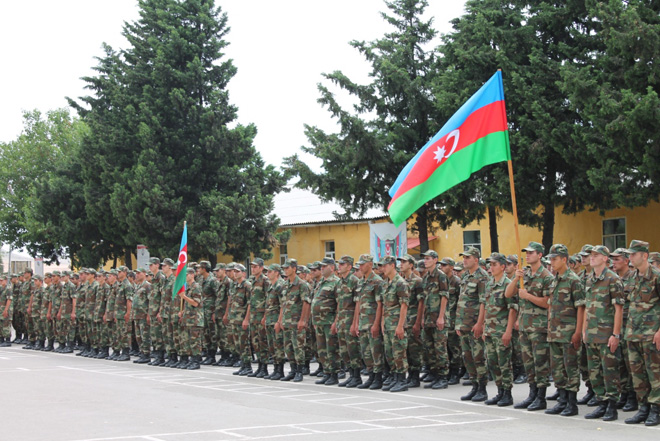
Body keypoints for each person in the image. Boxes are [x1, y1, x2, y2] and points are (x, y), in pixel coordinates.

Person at [506, 241, 553, 411]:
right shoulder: (523, 274)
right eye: (526, 252)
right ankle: (532, 394)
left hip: (539, 327)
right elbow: (508, 294)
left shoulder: (547, 276)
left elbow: (548, 303)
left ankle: (541, 397)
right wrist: (515, 278)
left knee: (540, 363)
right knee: (529, 363)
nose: (527, 255)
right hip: (525, 326)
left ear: (540, 255)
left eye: (531, 252)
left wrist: (528, 296)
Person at [582, 245, 624, 421]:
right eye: (591, 255)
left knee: (609, 371)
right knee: (595, 371)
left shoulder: (612, 279)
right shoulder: (590, 279)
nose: (592, 257)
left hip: (606, 334)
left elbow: (618, 309)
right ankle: (601, 403)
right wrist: (584, 330)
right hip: (591, 333)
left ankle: (612, 406)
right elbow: (587, 306)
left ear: (605, 258)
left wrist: (615, 335)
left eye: (596, 255)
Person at [622, 240, 660, 426]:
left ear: (644, 255)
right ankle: (643, 407)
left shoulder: (656, 276)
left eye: (633, 254)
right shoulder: (632, 277)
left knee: (655, 373)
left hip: (651, 333)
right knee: (637, 373)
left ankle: (656, 410)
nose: (630, 258)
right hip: (633, 333)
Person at [545, 244, 585, 417]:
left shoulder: (573, 280)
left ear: (564, 260)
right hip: (554, 332)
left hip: (568, 333)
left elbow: (581, 308)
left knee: (571, 368)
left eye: (555, 259)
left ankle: (571, 402)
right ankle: (562, 400)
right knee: (558, 369)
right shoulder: (555, 279)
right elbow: (551, 306)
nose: (552, 262)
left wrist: (578, 332)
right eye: (551, 259)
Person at [456, 246, 489, 402]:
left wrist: (480, 323)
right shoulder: (465, 277)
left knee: (478, 357)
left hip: (475, 324)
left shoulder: (482, 276)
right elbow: (461, 301)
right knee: (467, 356)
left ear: (476, 259)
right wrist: (458, 324)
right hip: (464, 324)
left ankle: (482, 388)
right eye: (464, 257)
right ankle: (474, 386)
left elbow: (484, 301)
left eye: (468, 257)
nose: (464, 260)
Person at [483, 253, 516, 407]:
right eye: (490, 264)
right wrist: (484, 327)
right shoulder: (489, 284)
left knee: (504, 363)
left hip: (501, 330)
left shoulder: (508, 284)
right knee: (493, 362)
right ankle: (500, 391)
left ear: (503, 267)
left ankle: (507, 393)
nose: (491, 267)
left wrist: (508, 331)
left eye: (494, 264)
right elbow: (487, 307)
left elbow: (512, 309)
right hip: (490, 330)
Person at [379, 255, 410, 393]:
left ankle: (402, 380)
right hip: (388, 324)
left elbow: (404, 305)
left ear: (392, 265)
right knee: (390, 353)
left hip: (397, 323)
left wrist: (400, 326)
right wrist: (382, 322)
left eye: (385, 265)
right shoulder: (386, 283)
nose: (383, 268)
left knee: (399, 353)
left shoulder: (400, 283)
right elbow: (385, 306)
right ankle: (395, 378)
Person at [419, 250, 449, 390]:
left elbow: (444, 296)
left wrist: (441, 316)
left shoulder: (441, 276)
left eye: (428, 258)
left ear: (435, 260)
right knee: (429, 348)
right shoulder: (426, 277)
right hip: (429, 318)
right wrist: (423, 318)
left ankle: (443, 377)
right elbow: (425, 299)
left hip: (438, 317)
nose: (425, 261)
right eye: (424, 259)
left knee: (440, 348)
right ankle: (435, 374)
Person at [277, 259, 311, 382]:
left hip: (297, 322)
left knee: (298, 347)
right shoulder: (285, 285)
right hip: (287, 322)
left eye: (287, 268)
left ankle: (299, 371)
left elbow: (306, 303)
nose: (285, 270)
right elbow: (283, 305)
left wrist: (303, 321)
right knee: (288, 347)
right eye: (284, 268)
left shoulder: (302, 285)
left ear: (294, 269)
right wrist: (280, 320)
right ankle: (292, 369)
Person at [354, 254, 384, 389]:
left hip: (372, 322)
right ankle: (371, 376)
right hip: (363, 322)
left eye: (363, 264)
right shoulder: (361, 282)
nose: (360, 266)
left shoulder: (377, 281)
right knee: (366, 352)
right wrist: (356, 323)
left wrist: (376, 324)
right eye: (359, 264)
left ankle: (378, 378)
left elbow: (380, 305)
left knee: (375, 351)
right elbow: (358, 304)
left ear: (370, 265)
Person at [312, 257, 341, 386]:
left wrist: (336, 322)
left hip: (329, 321)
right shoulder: (321, 282)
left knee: (331, 349)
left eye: (325, 266)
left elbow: (339, 304)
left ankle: (334, 374)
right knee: (321, 349)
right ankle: (327, 372)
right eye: (321, 267)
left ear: (332, 268)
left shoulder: (336, 282)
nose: (322, 269)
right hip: (319, 322)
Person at [263, 263, 286, 380]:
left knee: (278, 346)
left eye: (270, 271)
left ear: (276, 272)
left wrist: (279, 321)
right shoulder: (271, 285)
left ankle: (280, 370)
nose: (267, 273)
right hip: (270, 320)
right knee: (272, 346)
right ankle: (275, 368)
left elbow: (283, 305)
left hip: (276, 319)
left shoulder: (280, 285)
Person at [178, 268, 204, 370]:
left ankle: (196, 361)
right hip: (188, 318)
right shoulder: (188, 287)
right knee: (189, 341)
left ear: (192, 275)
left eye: (187, 274)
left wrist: (184, 297)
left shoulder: (196, 287)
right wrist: (182, 312)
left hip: (195, 319)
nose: (185, 276)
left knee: (195, 341)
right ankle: (191, 360)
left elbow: (195, 303)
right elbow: (189, 305)